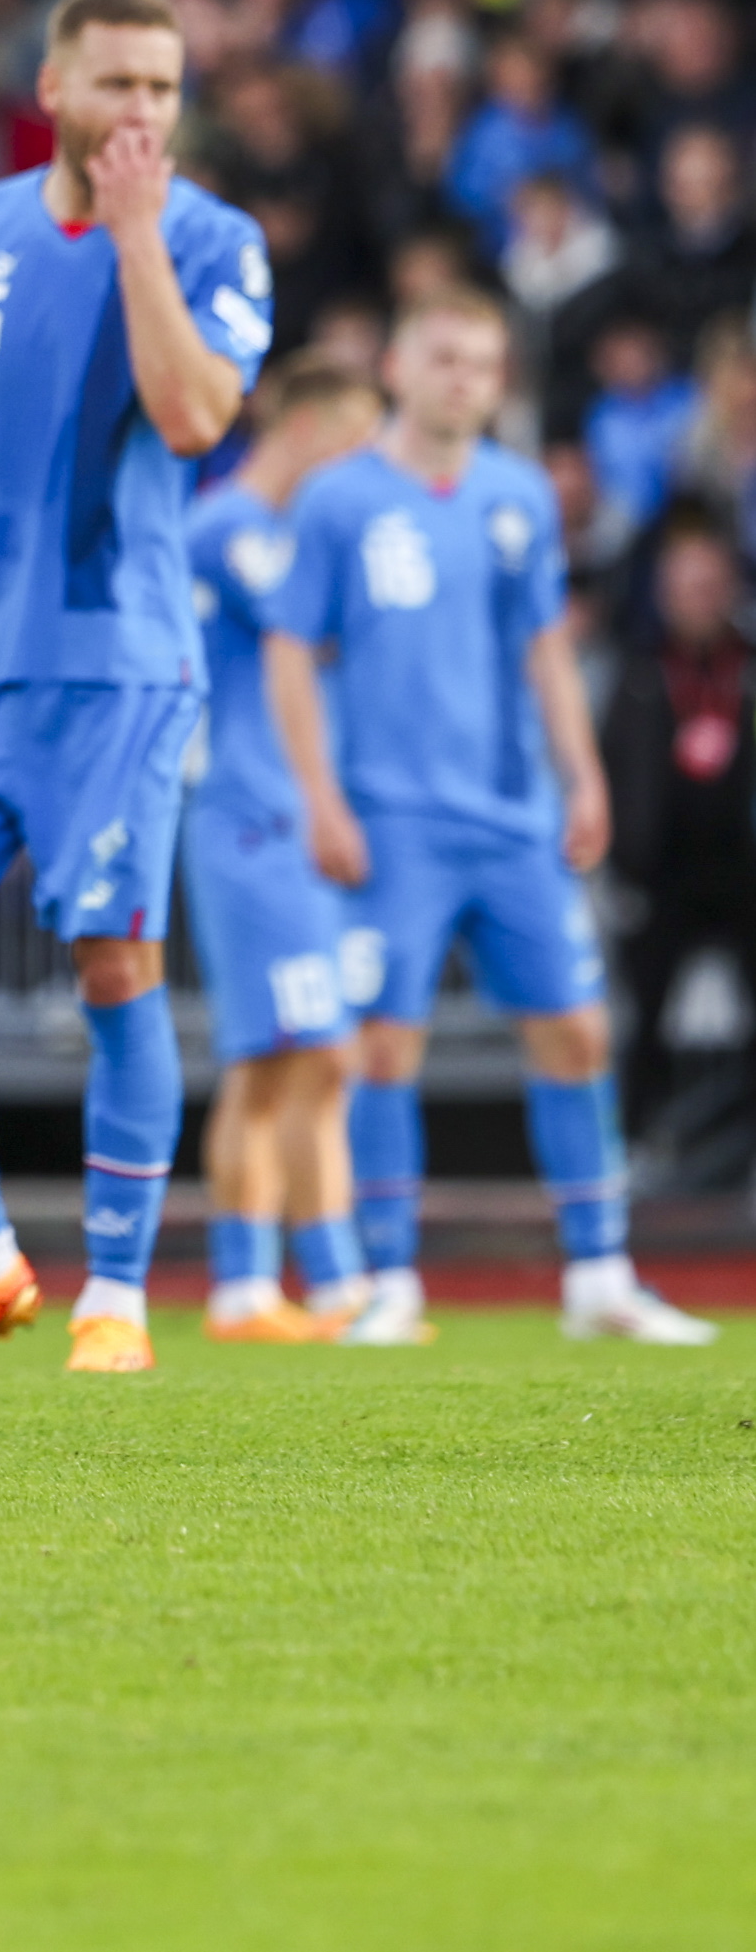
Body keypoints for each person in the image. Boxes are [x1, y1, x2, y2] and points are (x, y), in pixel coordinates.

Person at [0, 0, 269, 1377]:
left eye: (162, 88)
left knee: (112, 958)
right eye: (118, 84)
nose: (141, 110)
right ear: (56, 90)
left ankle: (119, 1298)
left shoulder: (211, 238)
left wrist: (138, 240)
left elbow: (197, 415)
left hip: (119, 668)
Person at [262, 291, 717, 1347]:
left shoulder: (514, 494)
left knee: (574, 1030)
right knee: (381, 1046)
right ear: (395, 364)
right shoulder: (336, 501)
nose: (463, 377)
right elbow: (289, 648)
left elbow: (543, 647)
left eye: (480, 362)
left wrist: (583, 777)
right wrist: (318, 796)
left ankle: (597, 1274)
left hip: (509, 817)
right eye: (444, 358)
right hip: (388, 820)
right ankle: (389, 1280)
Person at [179, 352, 384, 1342]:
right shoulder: (233, 530)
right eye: (352, 441)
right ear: (304, 427)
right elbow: (330, 634)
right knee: (287, 1056)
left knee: (304, 1057)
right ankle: (263, 1285)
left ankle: (293, 1282)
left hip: (284, 822)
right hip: (248, 819)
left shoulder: (270, 534)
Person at [603, 510, 756, 1152]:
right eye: (685, 586)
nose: (698, 598)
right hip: (660, 874)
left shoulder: (746, 669)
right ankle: (635, 1144)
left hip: (744, 870)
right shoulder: (639, 674)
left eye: (709, 584)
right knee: (641, 1008)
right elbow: (608, 768)